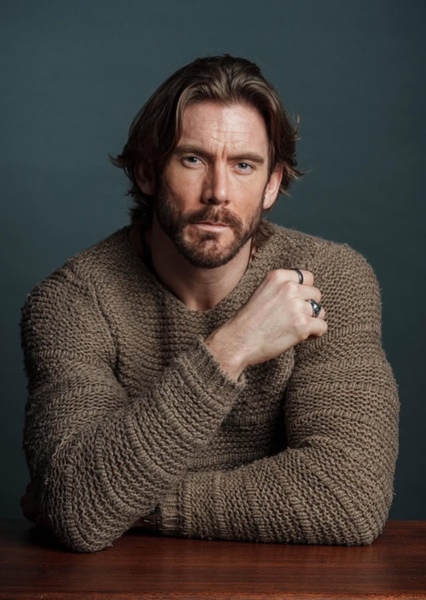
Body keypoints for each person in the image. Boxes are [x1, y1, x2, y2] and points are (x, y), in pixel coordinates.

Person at [20, 55, 399, 553]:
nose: (218, 192)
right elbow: (78, 504)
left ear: (271, 184)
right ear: (148, 171)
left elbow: (346, 498)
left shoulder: (330, 280)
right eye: (193, 159)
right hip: (125, 583)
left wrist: (121, 505)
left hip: (287, 583)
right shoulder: (72, 301)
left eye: (244, 165)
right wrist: (231, 349)